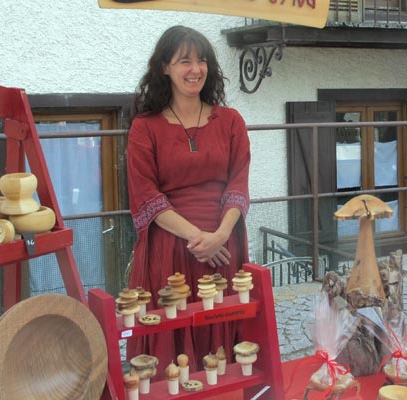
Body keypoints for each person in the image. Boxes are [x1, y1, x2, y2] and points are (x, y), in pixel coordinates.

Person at [126, 25, 250, 378]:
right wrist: (201, 238)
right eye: (184, 61)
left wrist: (221, 235)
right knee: (172, 339)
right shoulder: (144, 127)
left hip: (225, 247)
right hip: (170, 249)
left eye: (202, 61)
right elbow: (146, 197)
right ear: (164, 67)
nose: (195, 69)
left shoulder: (231, 121)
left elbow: (238, 184)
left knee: (224, 336)